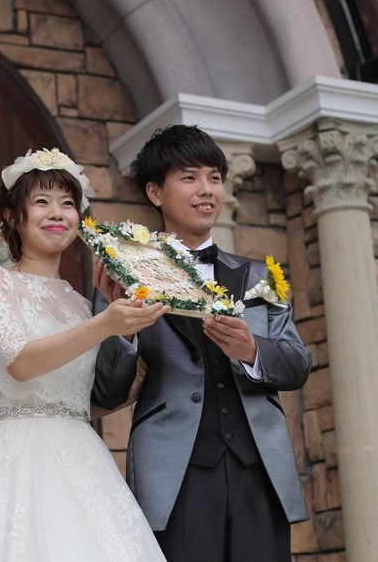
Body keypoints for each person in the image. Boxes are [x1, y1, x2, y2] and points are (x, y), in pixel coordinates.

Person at [0, 148, 169, 562]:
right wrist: (106, 324)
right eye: (41, 201)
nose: (57, 213)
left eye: (67, 203)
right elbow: (21, 363)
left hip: (82, 462)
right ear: (12, 217)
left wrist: (134, 349)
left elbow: (82, 401)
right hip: (14, 458)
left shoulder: (81, 303)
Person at [92, 125, 311, 562]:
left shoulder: (261, 276)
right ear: (155, 192)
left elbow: (297, 363)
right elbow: (107, 392)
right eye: (189, 177)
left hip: (260, 469)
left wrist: (251, 350)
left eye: (214, 177)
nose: (206, 190)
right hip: (174, 471)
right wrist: (124, 328)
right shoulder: (126, 274)